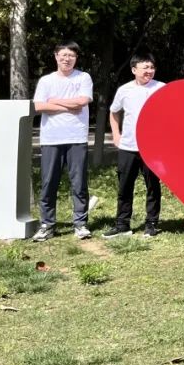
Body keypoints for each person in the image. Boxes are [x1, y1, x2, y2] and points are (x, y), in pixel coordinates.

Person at [32, 41, 94, 241]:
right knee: (49, 183)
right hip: (51, 138)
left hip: (77, 137)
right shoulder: (46, 81)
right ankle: (47, 224)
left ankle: (80, 224)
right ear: (56, 56)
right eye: (64, 55)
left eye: (71, 55)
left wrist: (54, 101)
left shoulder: (83, 77)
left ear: (76, 58)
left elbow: (82, 101)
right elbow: (40, 106)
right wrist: (70, 106)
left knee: (79, 183)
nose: (67, 59)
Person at [104, 53, 166, 239]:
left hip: (152, 148)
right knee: (125, 186)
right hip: (129, 146)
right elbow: (114, 112)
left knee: (152, 186)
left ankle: (151, 223)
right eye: (145, 67)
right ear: (134, 70)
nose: (149, 71)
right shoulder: (124, 90)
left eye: (152, 67)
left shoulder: (161, 88)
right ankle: (122, 224)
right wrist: (116, 134)